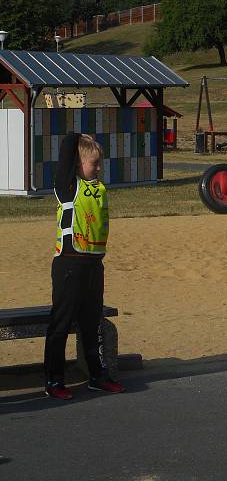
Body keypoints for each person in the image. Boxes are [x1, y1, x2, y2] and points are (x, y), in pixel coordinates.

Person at [44, 133, 125, 400]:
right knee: (61, 323)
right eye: (94, 163)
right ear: (78, 166)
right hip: (69, 264)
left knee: (92, 324)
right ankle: (54, 380)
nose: (99, 168)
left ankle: (97, 376)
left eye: (100, 163)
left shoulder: (99, 188)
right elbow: (67, 148)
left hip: (93, 265)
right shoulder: (67, 187)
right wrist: (78, 137)